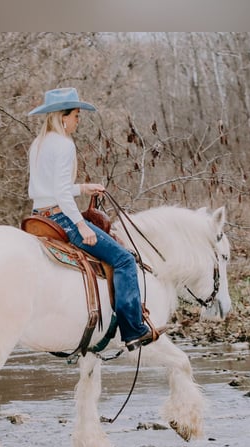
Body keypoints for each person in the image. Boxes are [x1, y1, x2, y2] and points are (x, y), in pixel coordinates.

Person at [27, 87, 163, 351]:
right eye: (77, 116)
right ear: (63, 117)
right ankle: (133, 329)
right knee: (124, 259)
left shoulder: (39, 143)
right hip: (62, 219)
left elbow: (48, 189)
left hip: (38, 217)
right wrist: (80, 225)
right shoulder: (64, 145)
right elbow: (62, 194)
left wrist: (84, 188)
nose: (78, 121)